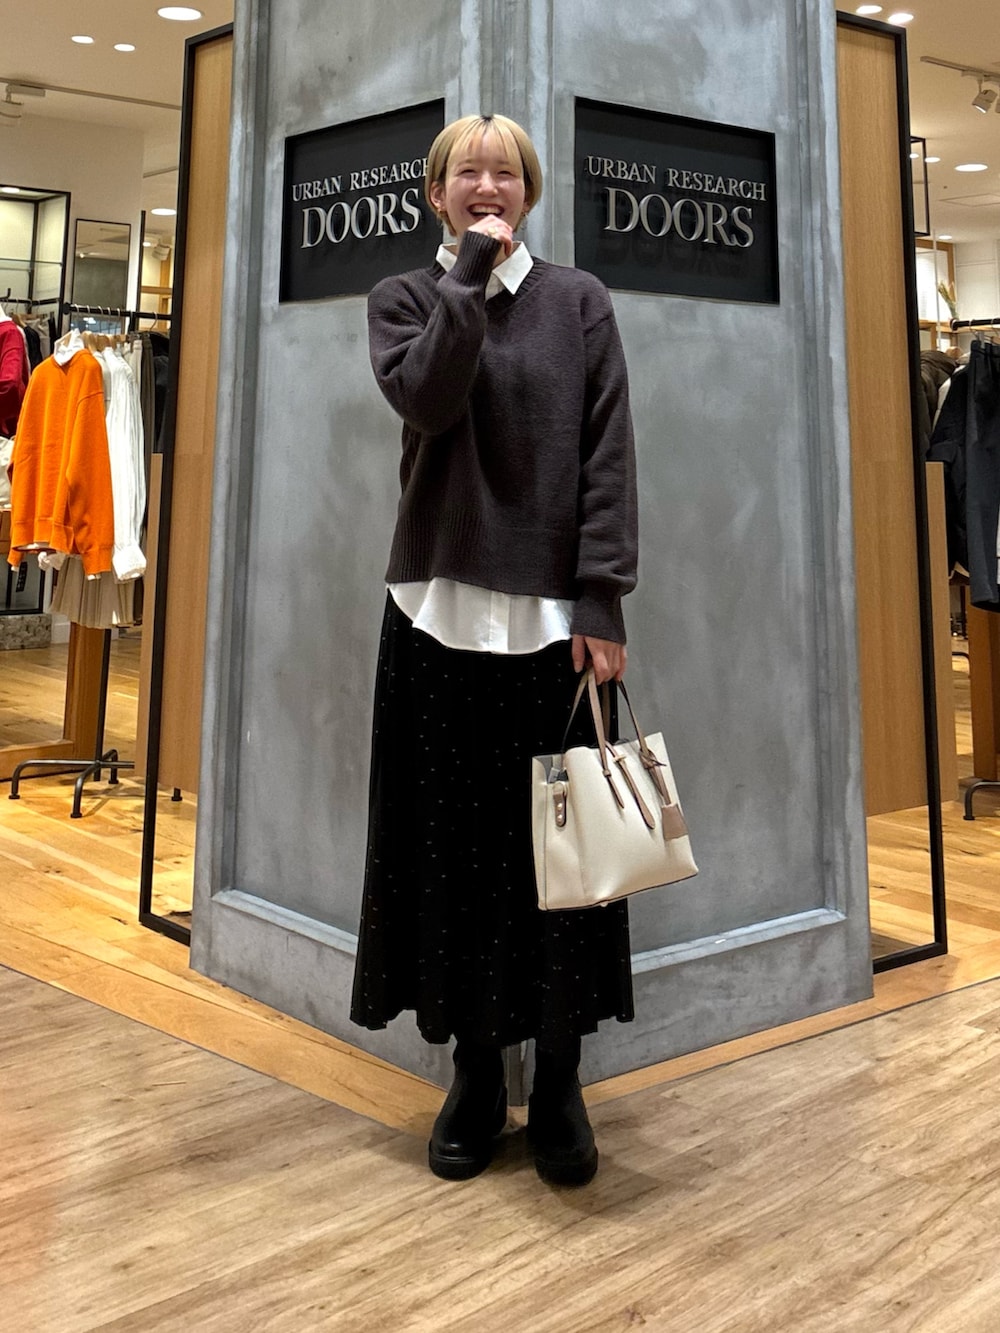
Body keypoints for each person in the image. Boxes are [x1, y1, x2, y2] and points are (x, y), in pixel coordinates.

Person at [350, 113, 638, 1187]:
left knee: (565, 862)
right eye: (467, 172)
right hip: (434, 616)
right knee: (451, 853)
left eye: (505, 172)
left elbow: (608, 454)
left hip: (556, 626)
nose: (487, 184)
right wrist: (469, 271)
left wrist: (603, 599)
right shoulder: (405, 299)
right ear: (436, 194)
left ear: (530, 190)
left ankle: (558, 1078)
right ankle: (474, 1072)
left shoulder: (579, 301)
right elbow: (429, 399)